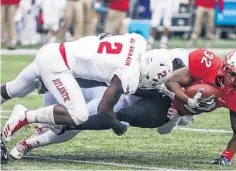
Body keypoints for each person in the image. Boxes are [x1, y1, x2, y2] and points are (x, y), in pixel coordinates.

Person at [7, 48, 195, 160]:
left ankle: (29, 143)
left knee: (75, 122)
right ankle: (40, 121)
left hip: (123, 101)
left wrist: (174, 119)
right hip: (115, 81)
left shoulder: (191, 93)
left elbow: (163, 129)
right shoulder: (166, 58)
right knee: (69, 89)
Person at [1, 33, 174, 144]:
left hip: (55, 50)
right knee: (78, 114)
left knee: (13, 89)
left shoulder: (138, 41)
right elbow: (103, 110)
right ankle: (25, 115)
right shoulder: (129, 76)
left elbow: (103, 38)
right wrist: (117, 126)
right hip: (59, 65)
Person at [159, 48, 236, 165]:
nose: (233, 80)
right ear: (224, 68)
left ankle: (183, 115)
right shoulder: (207, 63)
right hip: (180, 93)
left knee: (163, 129)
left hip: (195, 107)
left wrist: (227, 156)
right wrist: (187, 100)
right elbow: (170, 82)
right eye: (231, 73)